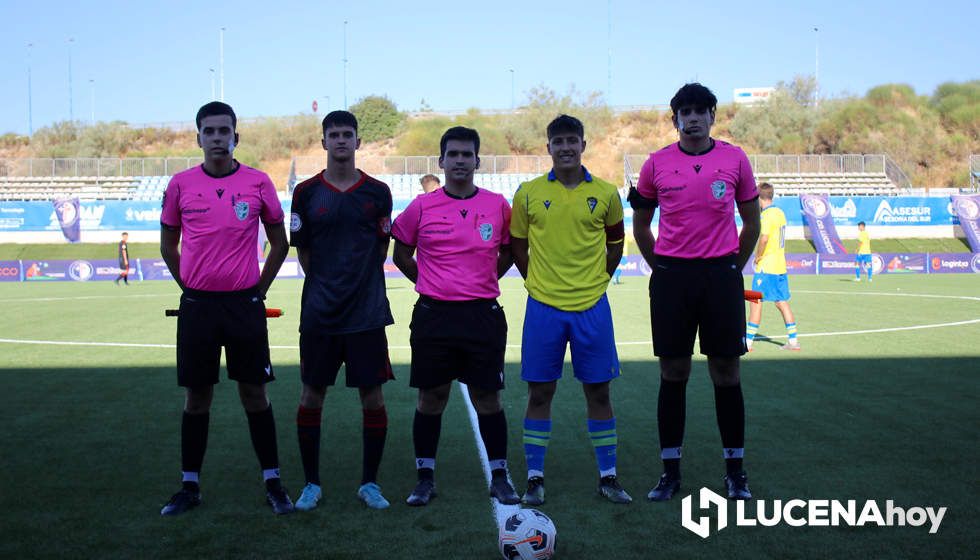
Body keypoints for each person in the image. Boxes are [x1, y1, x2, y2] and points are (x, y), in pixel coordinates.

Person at [159, 101, 292, 516]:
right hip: (199, 307)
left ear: (237, 136)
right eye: (209, 131)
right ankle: (189, 486)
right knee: (197, 397)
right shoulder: (180, 184)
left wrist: (259, 291)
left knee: (255, 394)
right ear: (198, 137)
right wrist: (191, 287)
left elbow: (280, 243)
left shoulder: (257, 182)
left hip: (243, 305)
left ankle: (273, 482)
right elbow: (168, 245)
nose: (218, 138)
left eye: (224, 131)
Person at [629, 83, 761, 501]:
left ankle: (735, 472)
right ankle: (670, 473)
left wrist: (730, 269)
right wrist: (663, 268)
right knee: (674, 374)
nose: (693, 117)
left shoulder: (735, 159)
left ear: (712, 117)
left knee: (727, 372)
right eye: (685, 111)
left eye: (701, 110)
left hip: (720, 277)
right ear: (675, 119)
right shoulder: (656, 165)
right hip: (673, 279)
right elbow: (641, 226)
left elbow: (752, 223)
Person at [391, 126, 520, 507]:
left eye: (467, 154)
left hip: (482, 315)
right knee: (431, 397)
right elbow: (401, 255)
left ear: (478, 161)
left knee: (488, 398)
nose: (461, 160)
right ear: (441, 161)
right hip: (434, 316)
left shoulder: (498, 205)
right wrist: (430, 282)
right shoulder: (421, 207)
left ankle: (500, 476)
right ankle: (424, 478)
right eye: (454, 154)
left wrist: (481, 281)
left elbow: (510, 252)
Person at [510, 114, 632, 505]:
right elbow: (517, 246)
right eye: (558, 141)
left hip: (592, 307)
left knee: (598, 391)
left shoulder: (607, 192)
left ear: (583, 144)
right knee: (540, 392)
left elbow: (616, 243)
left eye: (572, 140)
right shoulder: (527, 193)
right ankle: (534, 478)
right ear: (548, 147)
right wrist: (537, 281)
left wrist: (599, 280)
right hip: (543, 307)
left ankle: (608, 477)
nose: (565, 147)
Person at [290, 110, 395, 511]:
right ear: (323, 142)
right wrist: (329, 285)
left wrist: (357, 283)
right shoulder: (306, 193)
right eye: (333, 134)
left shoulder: (378, 192)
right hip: (320, 313)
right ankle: (311, 484)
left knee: (373, 398)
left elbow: (382, 246)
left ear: (357, 141)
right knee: (312, 395)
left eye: (347, 134)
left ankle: (370, 483)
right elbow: (304, 251)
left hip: (366, 313)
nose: (340, 141)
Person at [746, 183, 799, 351]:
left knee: (755, 301)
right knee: (781, 302)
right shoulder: (780, 213)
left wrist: (758, 256)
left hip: (766, 267)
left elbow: (764, 238)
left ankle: (747, 343)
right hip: (780, 266)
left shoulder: (767, 215)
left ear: (759, 198)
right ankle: (793, 341)